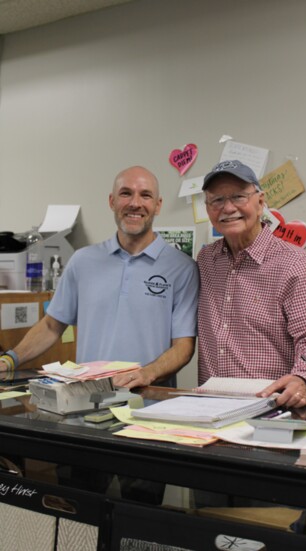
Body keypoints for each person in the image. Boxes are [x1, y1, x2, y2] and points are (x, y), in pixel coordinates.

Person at [0, 165, 199, 501]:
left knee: (138, 516)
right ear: (111, 201)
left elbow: (184, 347)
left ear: (158, 205)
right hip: (82, 412)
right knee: (78, 508)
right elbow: (52, 324)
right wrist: (10, 358)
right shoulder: (83, 261)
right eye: (126, 193)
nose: (135, 203)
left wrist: (144, 373)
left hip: (146, 413)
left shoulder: (181, 267)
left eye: (145, 195)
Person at [197, 159, 306, 409]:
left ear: (261, 202)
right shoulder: (206, 260)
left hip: (271, 409)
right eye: (217, 200)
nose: (227, 208)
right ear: (208, 209)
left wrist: (303, 380)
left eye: (239, 197)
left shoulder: (294, 263)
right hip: (211, 409)